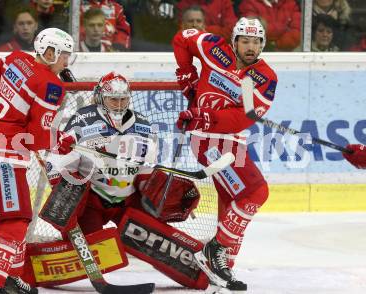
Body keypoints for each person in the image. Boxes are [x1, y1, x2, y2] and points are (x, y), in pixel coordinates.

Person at [43, 72, 209, 290]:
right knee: (96, 247)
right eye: (114, 99)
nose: (119, 105)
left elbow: (144, 170)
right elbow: (55, 160)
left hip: (127, 198)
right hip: (91, 200)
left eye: (123, 99)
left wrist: (158, 191)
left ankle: (199, 273)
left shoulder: (142, 125)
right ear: (100, 98)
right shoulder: (83, 120)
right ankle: (46, 263)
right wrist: (62, 189)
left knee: (155, 235)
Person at [0, 27, 76, 294]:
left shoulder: (15, 59)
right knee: (16, 221)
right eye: (63, 56)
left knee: (16, 218)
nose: (66, 62)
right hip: (3, 156)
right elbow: (37, 138)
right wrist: (59, 140)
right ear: (49, 52)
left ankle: (11, 277)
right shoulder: (50, 85)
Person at [172, 17, 278, 292]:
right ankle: (215, 250)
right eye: (245, 41)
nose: (251, 47)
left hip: (232, 143)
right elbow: (182, 38)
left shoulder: (265, 77)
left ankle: (222, 270)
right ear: (234, 41)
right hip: (210, 143)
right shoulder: (214, 48)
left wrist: (206, 116)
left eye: (256, 42)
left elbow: (243, 118)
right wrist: (186, 72)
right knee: (257, 192)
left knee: (233, 204)